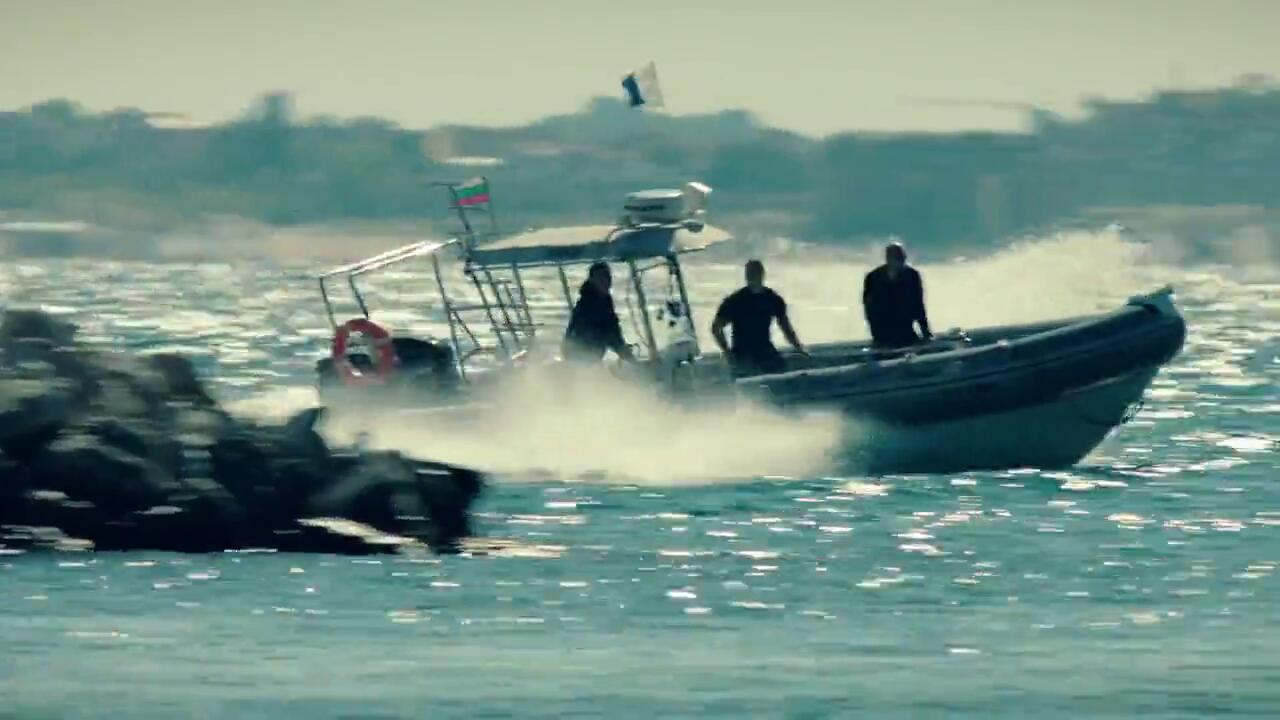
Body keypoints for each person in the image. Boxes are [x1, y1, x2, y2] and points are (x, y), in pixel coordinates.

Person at [712, 260, 807, 377]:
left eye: (753, 273)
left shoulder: (773, 299)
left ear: (762, 275)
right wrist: (727, 352)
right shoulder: (735, 301)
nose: (751, 277)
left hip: (765, 351)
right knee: (747, 369)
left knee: (783, 370)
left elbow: (785, 327)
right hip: (742, 354)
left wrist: (798, 348)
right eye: (749, 274)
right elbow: (716, 328)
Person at [562, 262, 637, 364]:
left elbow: (612, 334)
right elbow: (610, 335)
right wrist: (630, 358)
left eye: (607, 277)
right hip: (581, 357)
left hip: (586, 357)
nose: (605, 281)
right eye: (600, 278)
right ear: (592, 281)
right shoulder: (589, 304)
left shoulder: (603, 301)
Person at [862, 242, 932, 349]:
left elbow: (918, 305)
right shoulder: (873, 277)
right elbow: (869, 308)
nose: (900, 263)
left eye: (901, 260)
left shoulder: (911, 276)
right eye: (897, 259)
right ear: (888, 259)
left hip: (905, 329)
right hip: (882, 331)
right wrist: (876, 333)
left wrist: (925, 332)